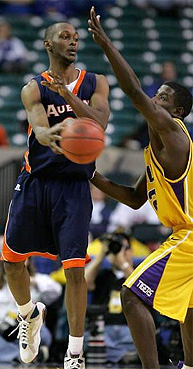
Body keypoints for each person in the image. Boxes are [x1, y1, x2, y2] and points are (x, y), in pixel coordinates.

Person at [88, 7, 193, 369]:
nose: (155, 99)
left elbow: (133, 91)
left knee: (132, 295)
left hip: (189, 235)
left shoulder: (174, 134)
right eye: (156, 95)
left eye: (162, 97)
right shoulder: (156, 153)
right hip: (184, 232)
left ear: (176, 110)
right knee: (188, 309)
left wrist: (106, 45)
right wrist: (92, 176)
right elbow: (134, 199)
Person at [1, 21, 110, 368]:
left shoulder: (96, 83)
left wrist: (68, 96)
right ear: (48, 44)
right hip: (36, 181)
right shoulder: (33, 88)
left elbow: (100, 124)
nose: (73, 42)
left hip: (74, 187)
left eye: (77, 38)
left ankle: (75, 355)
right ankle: (28, 315)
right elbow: (40, 124)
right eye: (65, 37)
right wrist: (50, 135)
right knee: (11, 261)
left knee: (75, 269)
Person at [85, 230, 137, 365]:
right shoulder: (103, 275)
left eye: (124, 249)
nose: (120, 253)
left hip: (129, 329)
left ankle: (113, 354)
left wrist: (124, 265)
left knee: (138, 339)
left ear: (131, 251)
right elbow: (84, 284)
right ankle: (121, 355)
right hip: (104, 329)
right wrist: (101, 255)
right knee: (89, 339)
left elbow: (138, 287)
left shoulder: (138, 273)